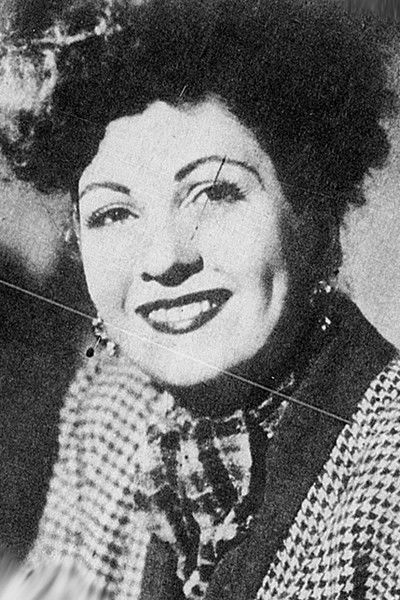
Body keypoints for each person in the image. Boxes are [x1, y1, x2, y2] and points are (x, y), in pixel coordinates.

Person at [0, 1, 399, 599]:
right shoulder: (109, 407)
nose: (165, 258)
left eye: (214, 194)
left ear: (314, 212)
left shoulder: (389, 467)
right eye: (114, 213)